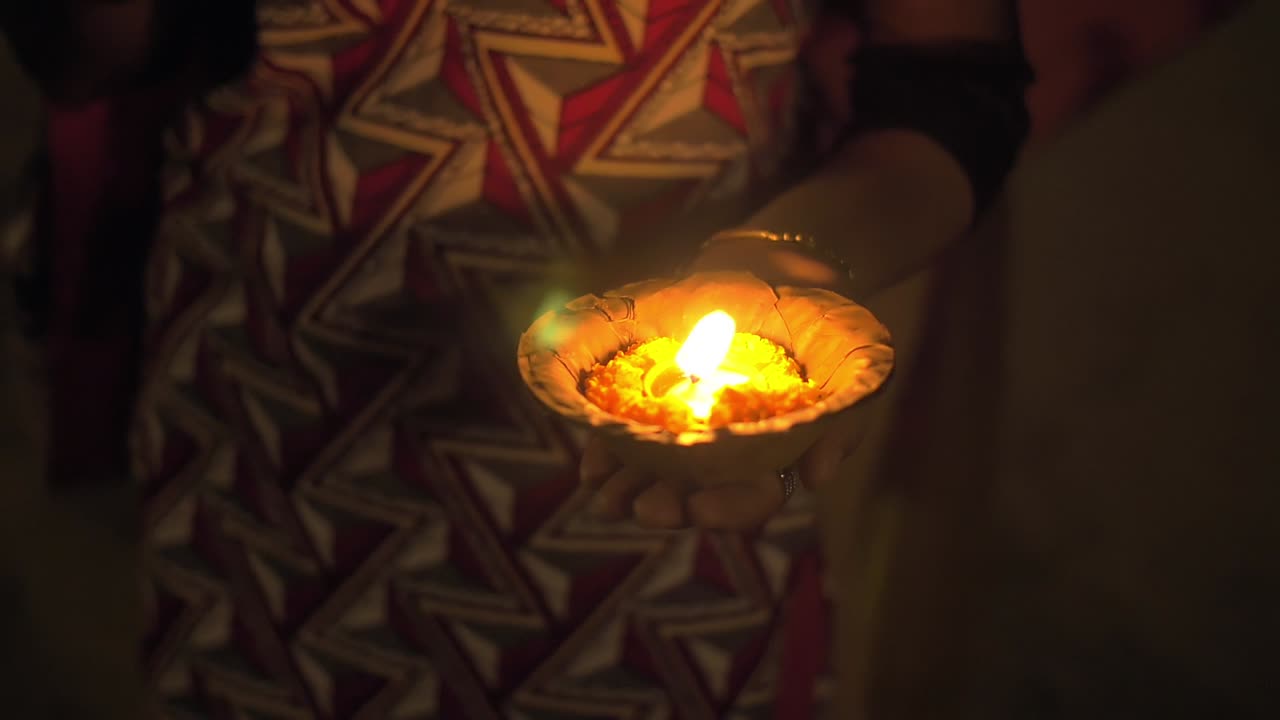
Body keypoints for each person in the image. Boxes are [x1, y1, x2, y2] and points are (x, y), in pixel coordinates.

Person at [2, 0, 1030, 716]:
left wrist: (778, 265)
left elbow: (946, 92)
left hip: (642, 535)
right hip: (274, 422)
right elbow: (87, 53)